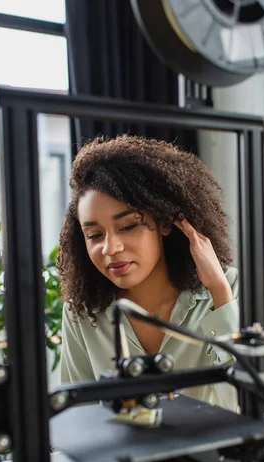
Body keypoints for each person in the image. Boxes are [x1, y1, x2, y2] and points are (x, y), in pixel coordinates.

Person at [57, 135, 239, 411]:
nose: (110, 248)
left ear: (166, 223)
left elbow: (243, 406)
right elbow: (74, 417)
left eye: (128, 226)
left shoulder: (225, 289)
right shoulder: (81, 312)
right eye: (94, 235)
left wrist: (220, 293)